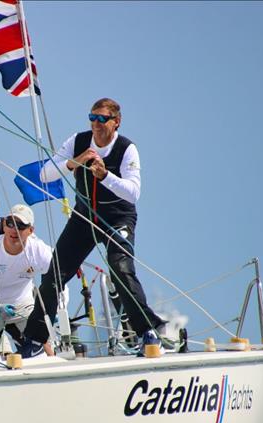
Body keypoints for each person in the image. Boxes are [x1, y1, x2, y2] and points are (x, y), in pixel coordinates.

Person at [18, 97, 165, 357]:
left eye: (102, 119)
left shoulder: (126, 149)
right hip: (85, 217)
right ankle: (34, 339)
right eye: (92, 118)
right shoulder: (78, 141)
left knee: (120, 268)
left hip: (118, 218)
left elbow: (133, 193)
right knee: (54, 275)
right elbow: (45, 174)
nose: (95, 124)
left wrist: (105, 176)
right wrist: (75, 161)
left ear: (116, 122)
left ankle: (147, 331)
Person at [0, 204, 53, 355]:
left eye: (21, 226)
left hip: (22, 307)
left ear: (30, 231)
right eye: (10, 223)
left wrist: (54, 310)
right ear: (4, 224)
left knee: (43, 348)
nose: (14, 230)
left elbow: (59, 281)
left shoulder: (39, 251)